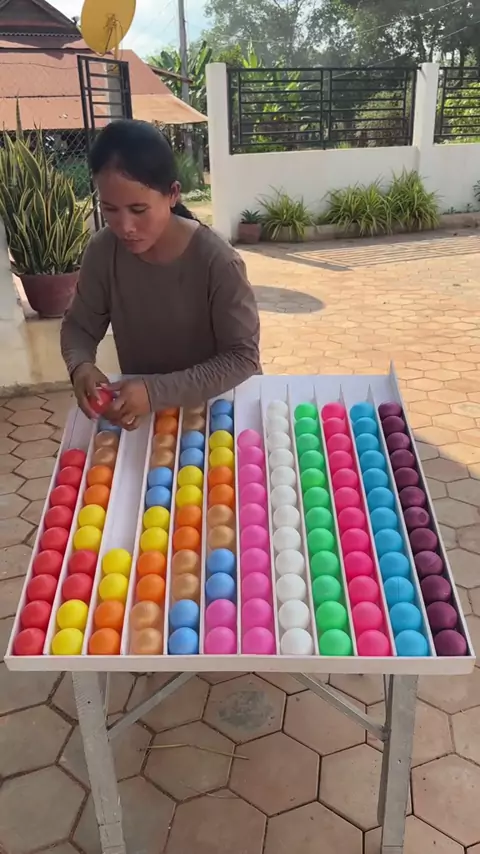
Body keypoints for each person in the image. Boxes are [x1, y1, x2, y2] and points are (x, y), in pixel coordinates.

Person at [61, 119, 260, 430]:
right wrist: (81, 365)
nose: (125, 227)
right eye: (109, 209)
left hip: (223, 411)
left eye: (138, 210)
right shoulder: (103, 252)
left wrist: (155, 392)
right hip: (149, 418)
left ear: (172, 194)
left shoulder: (218, 261)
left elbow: (242, 357)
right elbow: (79, 326)